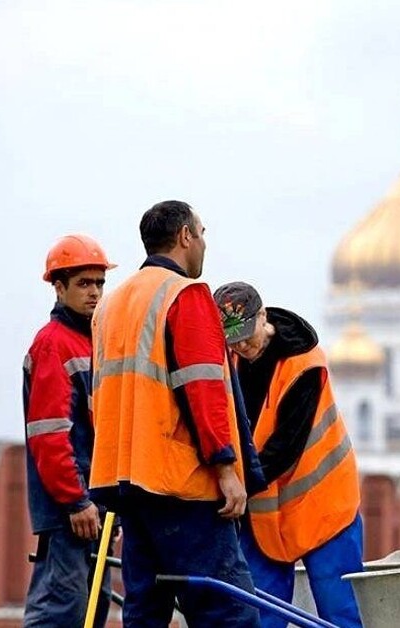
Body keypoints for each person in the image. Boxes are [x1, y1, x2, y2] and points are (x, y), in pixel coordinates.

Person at [89, 201, 259, 627]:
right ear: (185, 236)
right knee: (228, 613)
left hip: (126, 483)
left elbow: (102, 398)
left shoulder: (110, 306)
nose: (203, 243)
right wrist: (226, 467)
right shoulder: (185, 296)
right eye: (202, 232)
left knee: (145, 612)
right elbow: (202, 390)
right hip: (182, 485)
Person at [213, 281, 364, 628]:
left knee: (339, 612)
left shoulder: (304, 365)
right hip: (267, 510)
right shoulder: (231, 359)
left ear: (263, 317)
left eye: (247, 336)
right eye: (232, 340)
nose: (242, 346)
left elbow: (285, 446)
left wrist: (236, 485)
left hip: (324, 506)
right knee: (262, 613)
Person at [22, 234, 115, 627]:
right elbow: (49, 434)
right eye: (83, 284)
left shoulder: (94, 342)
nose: (94, 293)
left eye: (99, 283)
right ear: (59, 288)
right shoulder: (53, 344)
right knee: (63, 610)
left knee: (92, 610)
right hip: (72, 511)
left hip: (97, 507)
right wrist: (75, 501)